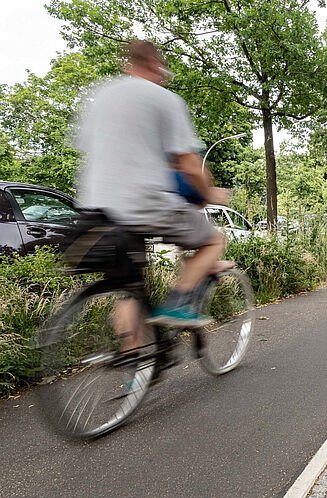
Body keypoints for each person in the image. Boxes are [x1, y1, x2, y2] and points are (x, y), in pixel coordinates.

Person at [74, 40, 230, 330]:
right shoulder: (164, 99)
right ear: (156, 65)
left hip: (96, 209)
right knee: (213, 239)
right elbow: (189, 164)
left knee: (128, 288)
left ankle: (135, 364)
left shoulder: (100, 98)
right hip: (145, 205)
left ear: (127, 64)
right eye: (163, 71)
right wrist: (209, 195)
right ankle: (178, 304)